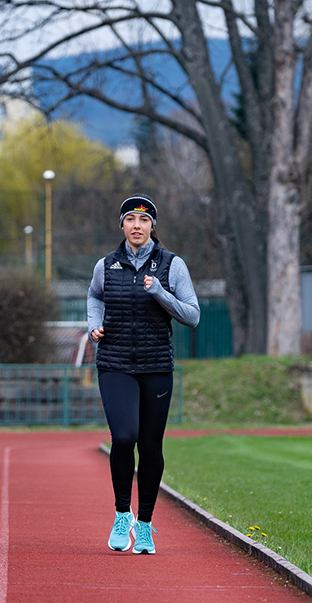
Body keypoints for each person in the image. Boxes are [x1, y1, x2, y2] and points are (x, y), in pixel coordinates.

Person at [88, 194, 199, 554]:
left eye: (144, 220)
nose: (137, 226)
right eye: (130, 220)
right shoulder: (106, 265)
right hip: (115, 364)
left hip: (156, 367)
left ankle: (146, 524)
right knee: (123, 437)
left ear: (153, 226)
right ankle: (123, 514)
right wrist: (94, 325)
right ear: (121, 225)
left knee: (150, 445)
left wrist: (161, 293)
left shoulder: (172, 265)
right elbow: (94, 297)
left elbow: (192, 315)